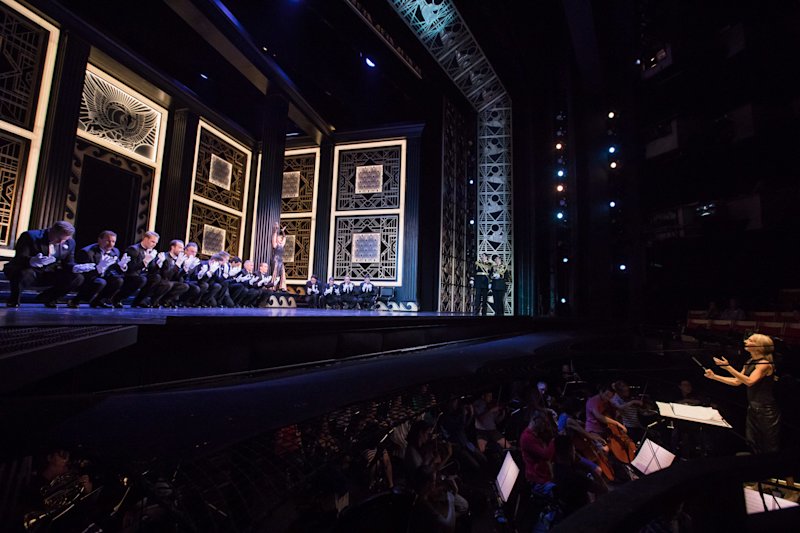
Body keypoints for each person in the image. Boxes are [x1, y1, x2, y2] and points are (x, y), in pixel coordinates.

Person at [704, 333, 781, 453]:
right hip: (753, 408)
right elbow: (737, 381)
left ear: (759, 346)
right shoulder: (750, 361)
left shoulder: (764, 364)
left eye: (750, 341)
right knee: (752, 442)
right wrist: (714, 377)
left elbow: (750, 381)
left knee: (768, 444)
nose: (746, 342)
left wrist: (728, 367)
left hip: (766, 410)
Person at [4, 221, 84, 308]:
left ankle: (49, 298)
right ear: (51, 231)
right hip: (27, 270)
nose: (60, 242)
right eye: (58, 238)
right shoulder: (30, 236)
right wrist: (32, 260)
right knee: (25, 273)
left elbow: (68, 262)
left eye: (64, 240)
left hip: (48, 273)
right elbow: (20, 257)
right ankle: (14, 300)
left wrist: (75, 267)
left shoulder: (70, 243)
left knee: (78, 278)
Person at [69, 230, 125, 308]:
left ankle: (99, 301)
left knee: (118, 280)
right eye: (108, 241)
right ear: (99, 240)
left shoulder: (115, 251)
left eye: (113, 241)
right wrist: (98, 268)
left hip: (103, 275)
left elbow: (115, 267)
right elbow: (83, 273)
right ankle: (75, 301)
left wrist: (122, 266)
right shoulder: (87, 252)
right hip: (88, 277)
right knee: (101, 282)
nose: (111, 244)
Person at [119, 231, 160, 308]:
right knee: (142, 279)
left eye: (156, 243)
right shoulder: (134, 249)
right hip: (131, 275)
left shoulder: (151, 251)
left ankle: (139, 301)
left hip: (142, 275)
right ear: (145, 239)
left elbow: (151, 269)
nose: (154, 244)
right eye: (152, 242)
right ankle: (118, 298)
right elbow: (131, 268)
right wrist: (144, 262)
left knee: (156, 278)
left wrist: (158, 264)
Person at [271, 222, 288, 291]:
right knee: (275, 272)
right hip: (276, 259)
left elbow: (285, 237)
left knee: (282, 272)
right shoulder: (275, 245)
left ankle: (282, 286)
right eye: (279, 239)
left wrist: (283, 231)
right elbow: (274, 237)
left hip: (280, 260)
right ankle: (273, 286)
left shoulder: (282, 245)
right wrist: (276, 230)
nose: (280, 239)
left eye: (281, 239)